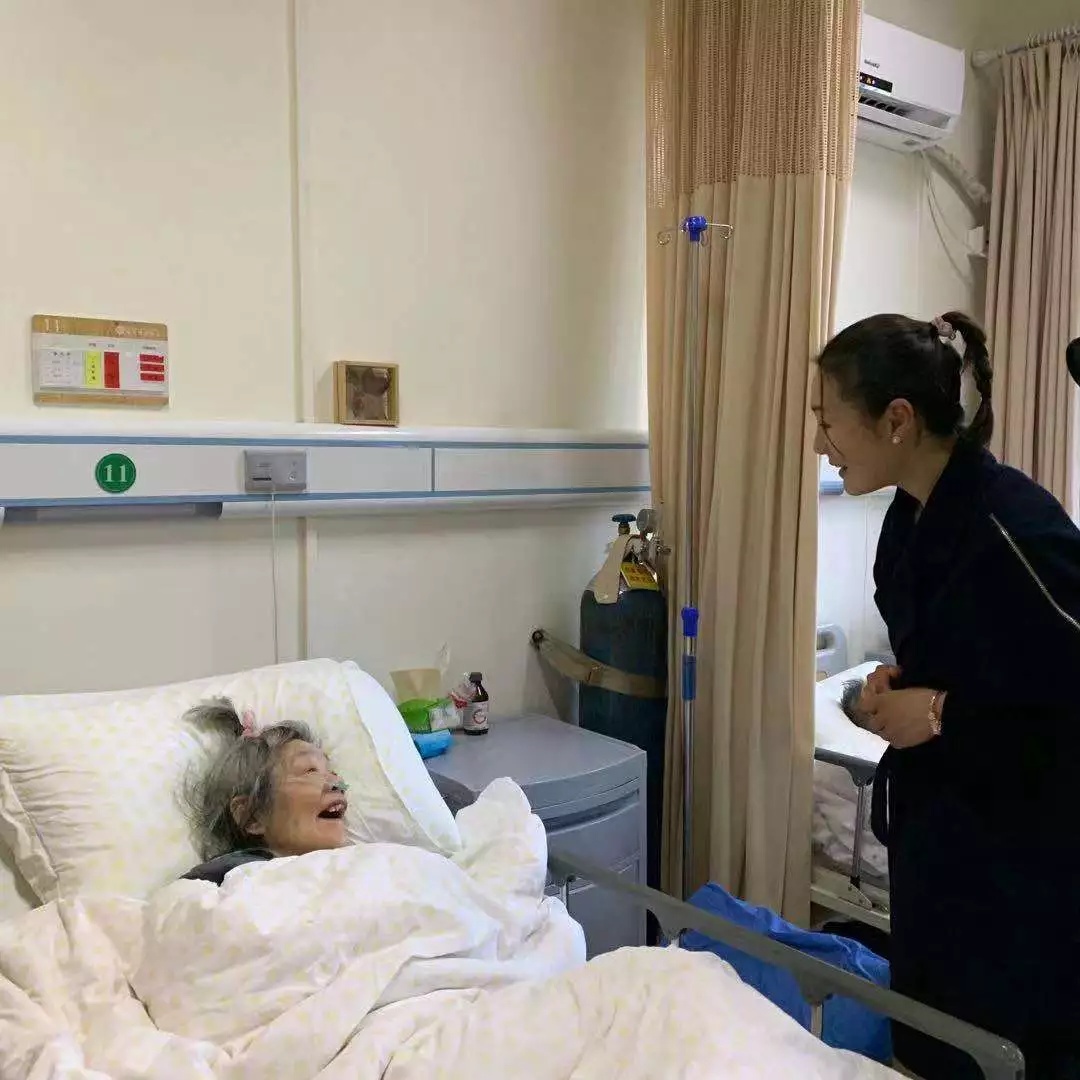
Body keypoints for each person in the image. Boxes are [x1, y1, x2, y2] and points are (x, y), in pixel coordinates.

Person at [812, 312, 1080, 1080]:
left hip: (1023, 863)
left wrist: (938, 714)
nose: (820, 443)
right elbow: (977, 660)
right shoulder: (910, 520)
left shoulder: (1012, 526)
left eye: (828, 421)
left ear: (896, 419)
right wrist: (892, 688)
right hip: (942, 842)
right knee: (933, 1037)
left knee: (1007, 1051)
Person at [181, 698, 349, 885]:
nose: (338, 783)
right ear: (253, 816)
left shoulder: (361, 867)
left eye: (332, 771)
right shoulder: (224, 882)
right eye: (310, 770)